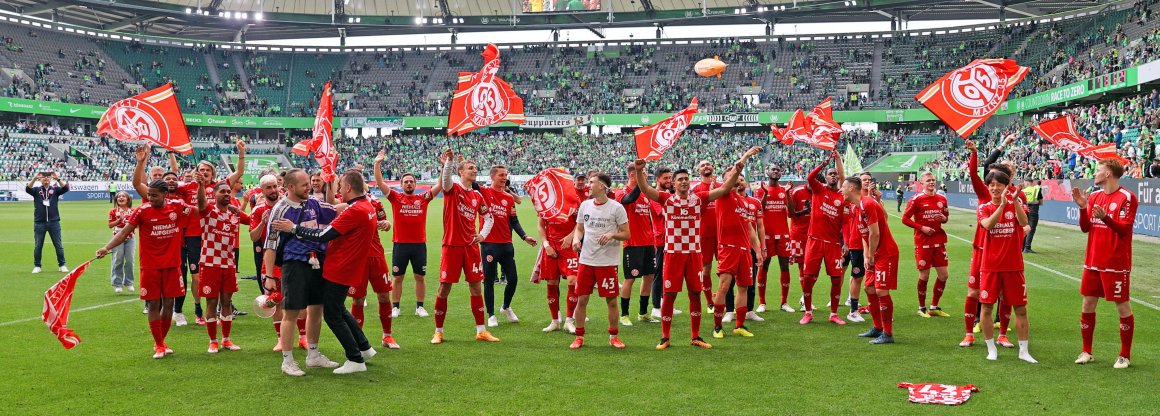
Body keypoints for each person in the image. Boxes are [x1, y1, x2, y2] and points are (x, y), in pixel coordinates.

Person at [635, 152, 751, 349]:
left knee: (695, 294)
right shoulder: (667, 200)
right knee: (669, 295)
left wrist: (739, 166)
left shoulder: (699, 199)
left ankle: (696, 336)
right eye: (680, 179)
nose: (684, 182)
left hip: (694, 254)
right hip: (672, 254)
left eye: (686, 179)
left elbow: (724, 188)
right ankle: (665, 337)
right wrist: (639, 172)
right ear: (673, 184)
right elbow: (645, 189)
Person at [274, 170, 379, 374]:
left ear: (348, 188)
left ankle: (355, 359)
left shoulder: (355, 210)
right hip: (345, 265)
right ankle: (364, 348)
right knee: (338, 308)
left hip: (340, 267)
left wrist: (294, 228)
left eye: (340, 186)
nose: (338, 189)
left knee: (332, 314)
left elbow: (322, 235)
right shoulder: (366, 206)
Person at [95, 179, 199, 359]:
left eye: (154, 195)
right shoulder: (142, 211)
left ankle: (161, 341)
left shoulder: (176, 206)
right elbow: (123, 232)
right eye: (149, 194)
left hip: (172, 265)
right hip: (150, 265)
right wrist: (107, 247)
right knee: (153, 304)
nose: (150, 198)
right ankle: (159, 344)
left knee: (168, 304)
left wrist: (198, 197)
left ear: (165, 195)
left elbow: (199, 211)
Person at [263, 169, 340, 376]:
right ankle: (287, 361)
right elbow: (270, 245)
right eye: (305, 184)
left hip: (317, 262)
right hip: (294, 264)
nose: (310, 187)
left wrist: (360, 205)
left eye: (309, 183)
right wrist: (269, 276)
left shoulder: (313, 202)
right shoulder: (279, 210)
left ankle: (313, 355)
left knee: (316, 309)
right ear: (290, 187)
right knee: (291, 312)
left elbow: (334, 208)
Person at [171, 139, 246, 327]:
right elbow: (168, 184)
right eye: (201, 170)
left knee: (217, 275)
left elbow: (239, 173)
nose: (204, 172)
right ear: (196, 173)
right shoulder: (186, 188)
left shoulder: (219, 187)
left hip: (215, 239)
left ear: (213, 173)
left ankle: (219, 308)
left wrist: (241, 153)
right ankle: (198, 310)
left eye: (208, 170)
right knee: (196, 277)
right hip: (194, 236)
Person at [1073, 159, 1136, 369]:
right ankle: (1087, 351)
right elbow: (1085, 228)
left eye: (1098, 170)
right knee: (1087, 304)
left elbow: (1124, 230)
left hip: (1116, 262)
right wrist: (1083, 208)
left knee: (1122, 305)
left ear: (1108, 173)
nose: (1095, 173)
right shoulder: (1094, 196)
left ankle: (1124, 355)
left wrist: (1106, 217)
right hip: (1093, 261)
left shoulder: (1127, 198)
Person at [431, 149, 499, 344]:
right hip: (451, 246)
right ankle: (438, 331)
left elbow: (489, 217)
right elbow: (444, 181)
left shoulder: (477, 196)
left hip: (470, 248)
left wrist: (482, 235)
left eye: (475, 168)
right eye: (470, 168)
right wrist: (449, 162)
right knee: (444, 288)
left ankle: (481, 330)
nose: (474, 170)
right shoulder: (452, 189)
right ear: (460, 172)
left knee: (476, 288)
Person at [977, 169, 1036, 363]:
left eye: (999, 185)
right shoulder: (984, 207)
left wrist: (1014, 202)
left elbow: (1024, 221)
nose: (995, 188)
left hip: (1013, 266)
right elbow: (987, 225)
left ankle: (1024, 351)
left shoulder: (1014, 204)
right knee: (986, 308)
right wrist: (1001, 206)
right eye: (992, 185)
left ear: (1006, 186)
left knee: (1021, 309)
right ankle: (991, 348)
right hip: (990, 266)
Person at [569, 173, 631, 349]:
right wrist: (575, 239)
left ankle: (613, 336)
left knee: (611, 301)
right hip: (586, 260)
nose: (588, 185)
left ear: (602, 186)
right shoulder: (585, 205)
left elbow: (626, 234)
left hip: (607, 262)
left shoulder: (616, 208)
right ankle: (579, 336)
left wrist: (612, 234)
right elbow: (579, 229)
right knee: (582, 300)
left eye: (591, 182)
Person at [374, 151, 440, 318]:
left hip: (419, 245)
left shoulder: (423, 198)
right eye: (406, 182)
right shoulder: (396, 197)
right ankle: (395, 307)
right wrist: (377, 163)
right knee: (397, 277)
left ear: (415, 184)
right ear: (401, 185)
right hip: (400, 244)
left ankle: (420, 307)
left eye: (411, 181)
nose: (409, 184)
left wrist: (444, 166)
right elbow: (380, 183)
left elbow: (439, 185)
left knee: (420, 276)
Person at [710, 148, 765, 338]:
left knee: (744, 287)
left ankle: (739, 325)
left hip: (744, 251)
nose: (736, 179)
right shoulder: (722, 195)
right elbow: (735, 172)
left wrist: (757, 250)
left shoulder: (743, 202)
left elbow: (750, 228)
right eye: (732, 177)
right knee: (724, 286)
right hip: (728, 248)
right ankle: (717, 326)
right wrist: (746, 155)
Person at [478, 165, 536, 327]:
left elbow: (513, 221)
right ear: (492, 177)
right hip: (489, 244)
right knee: (488, 281)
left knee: (513, 279)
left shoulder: (509, 198)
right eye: (501, 175)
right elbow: (469, 181)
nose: (504, 178)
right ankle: (491, 315)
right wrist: (461, 164)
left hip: (506, 244)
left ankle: (505, 307)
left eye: (506, 175)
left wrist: (524, 236)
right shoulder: (483, 192)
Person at [196, 181, 250, 353]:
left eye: (228, 192)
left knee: (226, 301)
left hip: (228, 264)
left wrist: (238, 210)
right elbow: (201, 203)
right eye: (223, 192)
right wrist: (200, 186)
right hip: (210, 263)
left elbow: (251, 221)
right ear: (215, 194)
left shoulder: (234, 215)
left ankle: (226, 340)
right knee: (211, 302)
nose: (227, 194)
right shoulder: (208, 211)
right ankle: (213, 341)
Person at [847, 177, 899, 345]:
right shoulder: (856, 207)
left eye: (843, 187)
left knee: (881, 291)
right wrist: (866, 255)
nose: (841, 190)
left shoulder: (867, 204)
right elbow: (864, 235)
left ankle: (888, 333)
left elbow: (874, 233)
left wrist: (871, 255)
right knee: (869, 288)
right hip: (873, 254)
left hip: (885, 253)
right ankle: (877, 327)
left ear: (852, 188)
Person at [800, 150, 847, 325]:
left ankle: (834, 313)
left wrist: (838, 160)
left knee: (836, 278)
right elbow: (810, 177)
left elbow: (846, 223)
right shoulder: (819, 189)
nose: (833, 176)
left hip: (833, 244)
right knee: (809, 277)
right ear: (825, 177)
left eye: (835, 174)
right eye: (830, 174)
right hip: (814, 241)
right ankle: (808, 311)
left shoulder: (842, 196)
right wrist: (824, 164)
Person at [614, 163, 660, 326]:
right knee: (630, 278)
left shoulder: (645, 194)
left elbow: (647, 219)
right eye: (642, 173)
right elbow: (629, 200)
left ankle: (643, 313)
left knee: (649, 277)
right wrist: (642, 184)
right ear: (633, 175)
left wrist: (653, 240)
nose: (646, 176)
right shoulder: (622, 192)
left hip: (648, 243)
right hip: (632, 243)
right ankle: (624, 314)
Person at [901, 172, 951, 318]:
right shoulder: (916, 199)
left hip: (939, 241)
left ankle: (934, 306)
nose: (931, 182)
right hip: (923, 242)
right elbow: (905, 219)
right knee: (925, 275)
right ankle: (921, 307)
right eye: (928, 180)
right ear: (921, 183)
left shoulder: (942, 198)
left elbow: (946, 218)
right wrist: (922, 228)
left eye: (933, 180)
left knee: (944, 274)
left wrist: (944, 218)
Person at [755, 166, 793, 315]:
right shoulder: (761, 189)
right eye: (773, 170)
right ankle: (762, 302)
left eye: (778, 170)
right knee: (764, 266)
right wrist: (765, 194)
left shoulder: (785, 190)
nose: (776, 171)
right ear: (767, 172)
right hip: (767, 235)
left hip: (783, 234)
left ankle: (784, 302)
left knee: (785, 266)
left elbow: (791, 211)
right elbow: (760, 209)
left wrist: (788, 193)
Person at [536, 207, 580, 334]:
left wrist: (571, 236)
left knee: (573, 281)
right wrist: (546, 245)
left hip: (568, 247)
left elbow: (580, 222)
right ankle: (555, 321)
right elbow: (540, 224)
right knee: (552, 283)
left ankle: (569, 321)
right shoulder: (546, 201)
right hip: (550, 248)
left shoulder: (572, 199)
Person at [647, 167, 680, 319]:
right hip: (661, 239)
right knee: (659, 273)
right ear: (657, 180)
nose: (668, 181)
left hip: (672, 239)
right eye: (665, 178)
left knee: (670, 272)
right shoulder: (656, 196)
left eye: (669, 178)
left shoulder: (670, 195)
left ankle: (665, 303)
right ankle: (655, 307)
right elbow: (665, 213)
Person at [692, 160, 722, 311]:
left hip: (723, 233)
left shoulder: (722, 186)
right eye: (703, 165)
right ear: (699, 171)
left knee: (725, 270)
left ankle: (726, 301)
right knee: (706, 269)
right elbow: (696, 212)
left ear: (713, 167)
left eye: (709, 164)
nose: (706, 167)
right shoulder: (695, 189)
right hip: (704, 235)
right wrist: (709, 193)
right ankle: (710, 302)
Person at [27, 171, 69, 273]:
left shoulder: (55, 190)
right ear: (40, 180)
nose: (46, 178)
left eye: (48, 177)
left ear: (50, 179)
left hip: (54, 222)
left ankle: (62, 265)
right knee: (38, 245)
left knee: (58, 245)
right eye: (43, 177)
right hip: (39, 222)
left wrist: (57, 178)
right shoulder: (36, 190)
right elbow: (28, 189)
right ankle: (37, 266)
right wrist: (35, 177)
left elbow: (66, 188)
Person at [787, 179, 811, 313]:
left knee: (812, 267)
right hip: (798, 235)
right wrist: (805, 211)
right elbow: (790, 214)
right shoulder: (796, 192)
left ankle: (806, 297)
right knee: (802, 265)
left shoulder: (821, 191)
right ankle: (804, 298)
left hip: (814, 235)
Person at [107, 191, 136, 293]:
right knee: (118, 260)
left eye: (123, 196)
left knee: (130, 260)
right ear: (116, 200)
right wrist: (119, 221)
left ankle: (129, 282)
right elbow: (110, 225)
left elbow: (137, 224)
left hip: (130, 238)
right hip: (117, 238)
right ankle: (117, 283)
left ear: (128, 199)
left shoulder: (133, 211)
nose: (121, 198)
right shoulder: (113, 212)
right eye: (119, 197)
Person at [1022, 180, 1043, 253]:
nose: (1024, 184)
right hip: (1033, 210)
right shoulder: (1037, 190)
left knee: (1024, 228)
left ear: (1027, 183)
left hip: (1024, 210)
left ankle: (1022, 247)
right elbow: (1041, 202)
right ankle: (1027, 248)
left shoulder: (1023, 191)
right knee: (1031, 229)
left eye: (1024, 183)